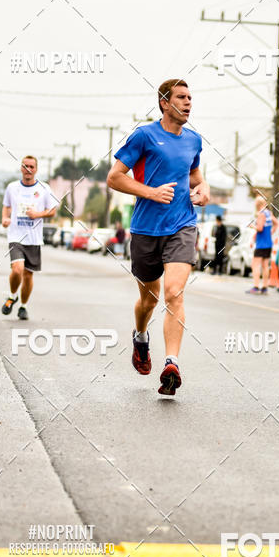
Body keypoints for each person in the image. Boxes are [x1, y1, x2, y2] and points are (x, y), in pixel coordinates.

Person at [106, 78, 209, 396]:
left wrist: (203, 189)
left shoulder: (194, 140)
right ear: (165, 103)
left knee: (175, 293)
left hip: (182, 225)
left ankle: (172, 363)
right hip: (145, 230)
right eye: (181, 97)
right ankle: (140, 337)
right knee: (148, 300)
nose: (188, 102)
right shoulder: (144, 136)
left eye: (191, 97)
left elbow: (194, 173)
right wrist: (150, 192)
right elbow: (114, 178)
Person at [1, 156, 56, 320]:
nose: (28, 169)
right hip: (16, 236)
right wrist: (4, 218)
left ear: (36, 169)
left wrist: (37, 214)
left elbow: (52, 211)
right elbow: (6, 206)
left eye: (31, 167)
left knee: (28, 275)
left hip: (34, 238)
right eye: (25, 166)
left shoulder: (44, 189)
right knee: (17, 270)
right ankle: (12, 296)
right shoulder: (12, 188)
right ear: (21, 168)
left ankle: (23, 306)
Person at [246, 196, 278, 294]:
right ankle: (265, 287)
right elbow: (276, 223)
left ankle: (256, 286)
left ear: (257, 204)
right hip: (268, 243)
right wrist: (270, 233)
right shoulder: (269, 213)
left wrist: (252, 226)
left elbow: (260, 228)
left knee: (255, 265)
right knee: (265, 266)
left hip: (261, 244)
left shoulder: (261, 214)